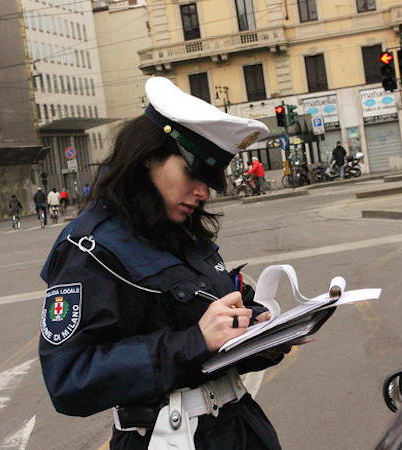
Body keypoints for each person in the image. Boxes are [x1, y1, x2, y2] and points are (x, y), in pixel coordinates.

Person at [39, 77, 291, 449]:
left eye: (211, 180)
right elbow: (70, 378)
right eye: (193, 173)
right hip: (166, 438)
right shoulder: (89, 248)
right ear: (148, 158)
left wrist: (260, 334)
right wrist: (193, 342)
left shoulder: (184, 232)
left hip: (238, 429)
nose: (203, 192)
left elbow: (216, 321)